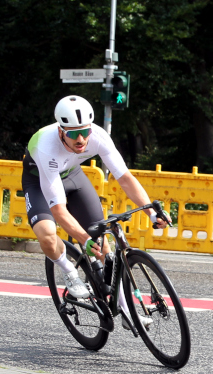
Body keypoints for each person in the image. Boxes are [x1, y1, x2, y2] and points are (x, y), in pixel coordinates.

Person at [23, 95, 167, 330]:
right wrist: (84, 239)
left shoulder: (98, 136)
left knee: (104, 246)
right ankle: (69, 271)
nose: (80, 139)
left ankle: (126, 312)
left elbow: (125, 178)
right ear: (61, 131)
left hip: (72, 175)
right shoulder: (46, 148)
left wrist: (152, 212)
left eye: (84, 132)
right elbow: (59, 210)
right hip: (39, 181)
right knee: (47, 234)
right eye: (72, 134)